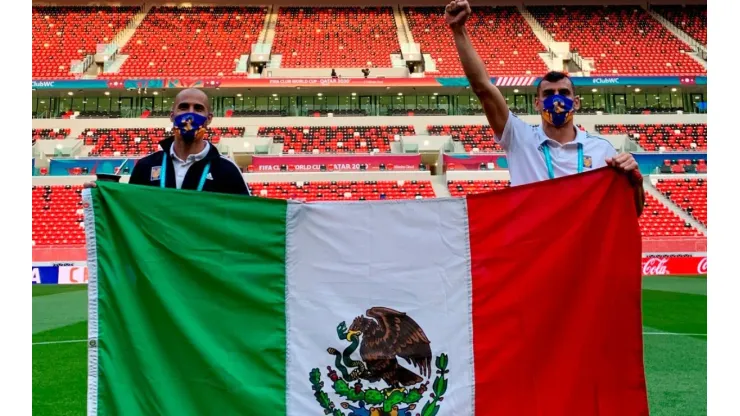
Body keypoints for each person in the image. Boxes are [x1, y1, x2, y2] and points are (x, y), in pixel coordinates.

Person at [445, 1, 641, 186]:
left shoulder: (602, 151)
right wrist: (458, 30)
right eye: (548, 94)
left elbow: (631, 210)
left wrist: (636, 183)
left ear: (577, 102)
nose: (557, 99)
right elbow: (483, 88)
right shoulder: (518, 138)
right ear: (536, 103)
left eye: (564, 92)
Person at [85, 88, 251, 195]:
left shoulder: (227, 170)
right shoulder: (145, 167)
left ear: (209, 119)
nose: (190, 115)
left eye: (198, 108)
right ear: (172, 116)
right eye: (184, 107)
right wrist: (101, 197)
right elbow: (130, 213)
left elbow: (247, 218)